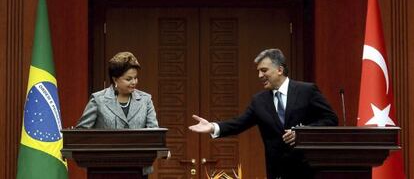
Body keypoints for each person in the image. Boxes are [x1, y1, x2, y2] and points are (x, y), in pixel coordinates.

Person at [189, 48, 338, 179]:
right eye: (258, 71)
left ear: (279, 70)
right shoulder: (259, 101)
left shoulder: (307, 91)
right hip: (277, 171)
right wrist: (213, 127)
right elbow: (239, 123)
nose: (260, 75)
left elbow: (331, 119)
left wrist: (302, 133)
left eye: (264, 70)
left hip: (308, 169)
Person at [76, 51, 158, 176]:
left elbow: (154, 133)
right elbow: (82, 133)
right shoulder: (98, 100)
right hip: (103, 170)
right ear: (115, 79)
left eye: (135, 78)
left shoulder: (145, 100)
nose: (134, 82)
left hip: (138, 170)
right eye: (128, 79)